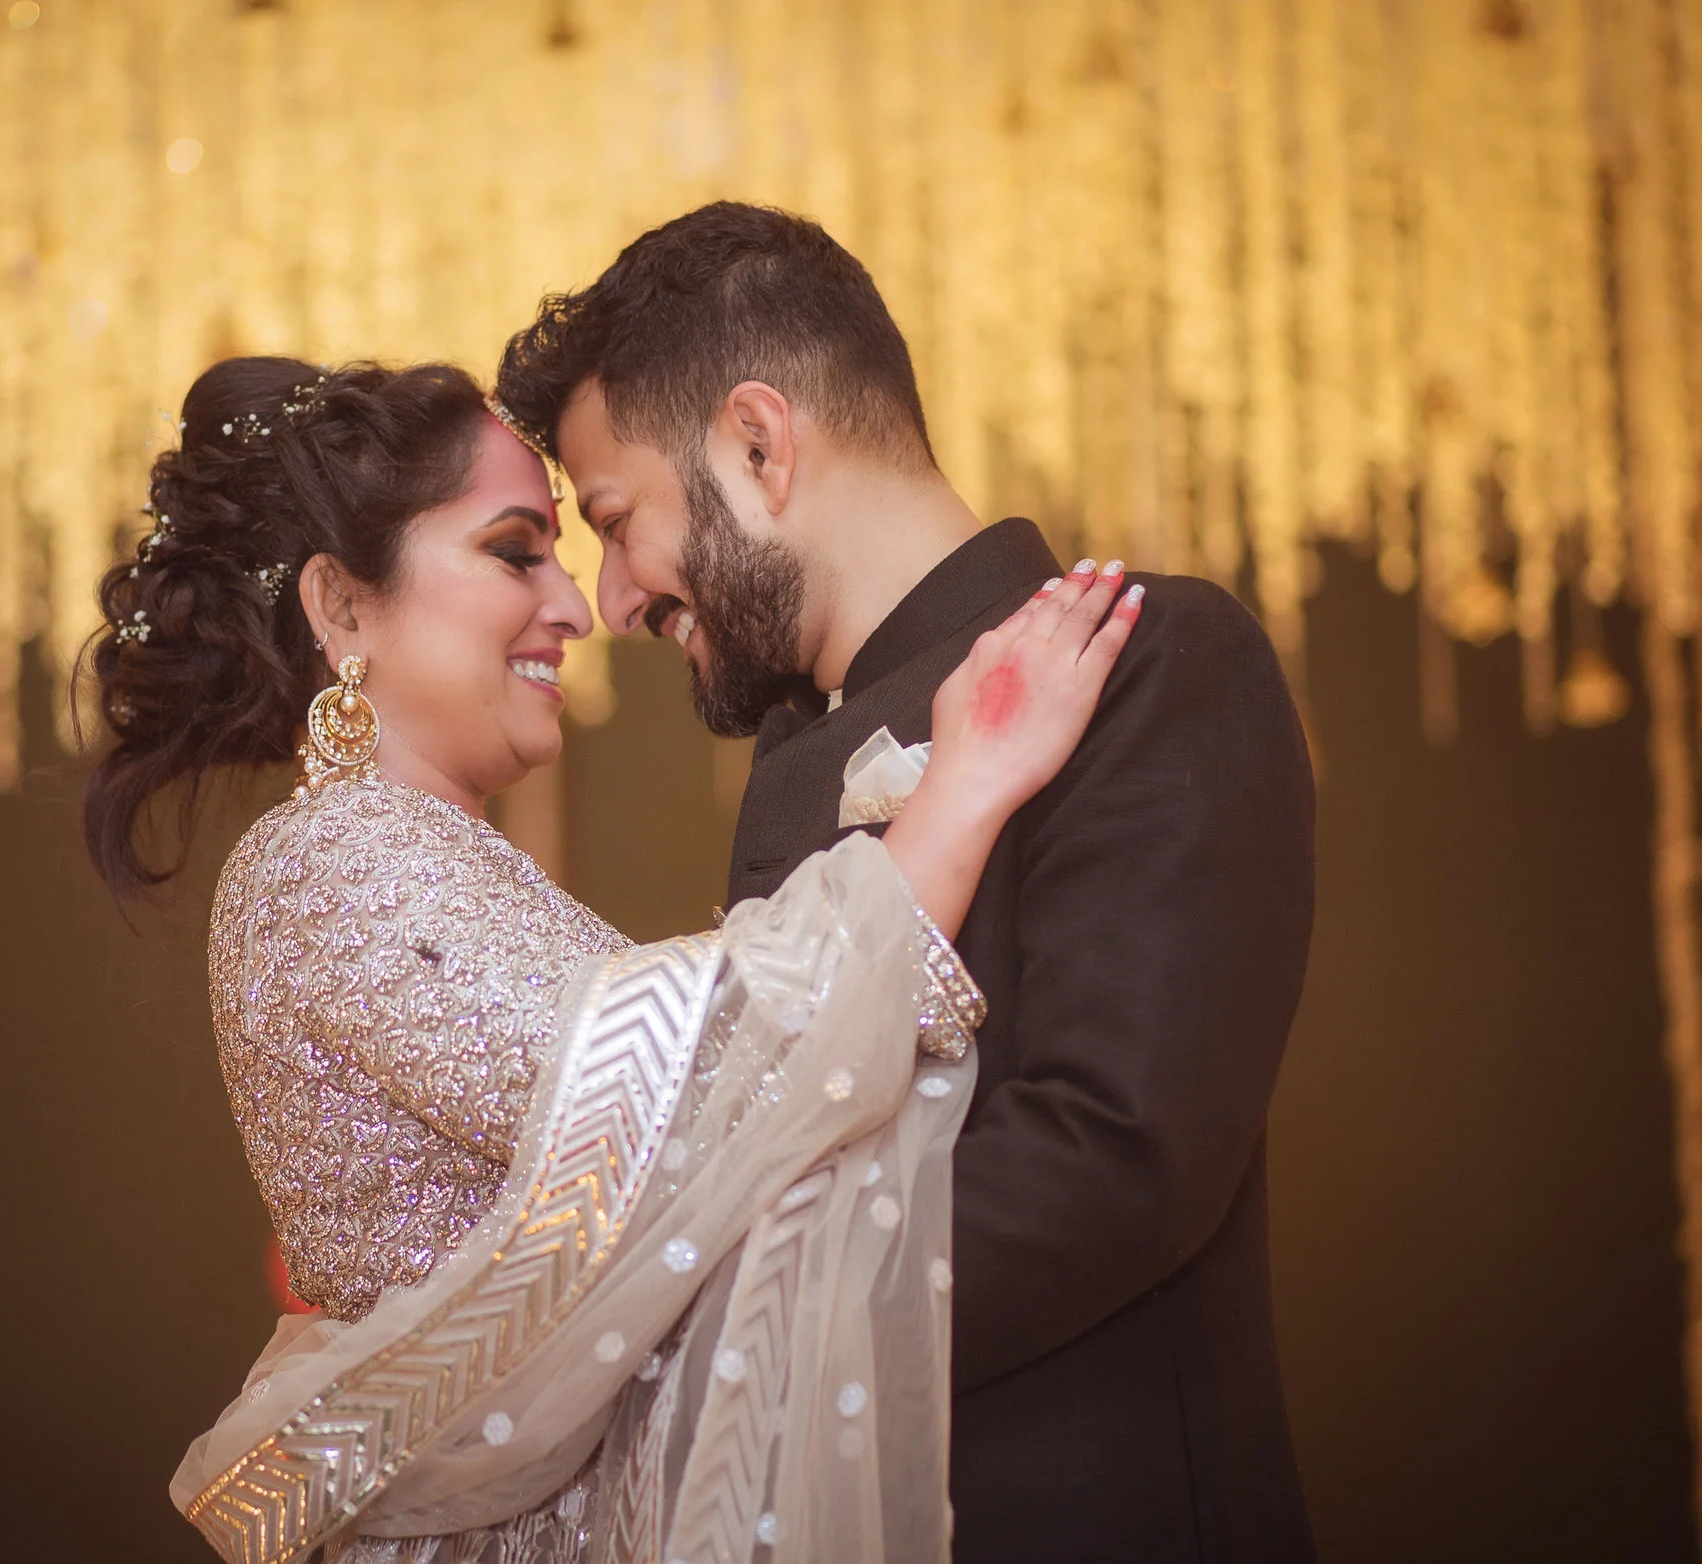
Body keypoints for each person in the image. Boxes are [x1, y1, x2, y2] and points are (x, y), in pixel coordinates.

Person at [82, 355, 1140, 1562]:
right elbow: (681, 1108)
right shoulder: (333, 860)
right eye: (514, 550)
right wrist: (962, 792)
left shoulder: (412, 855)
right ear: (341, 607)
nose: (577, 607)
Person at [493, 202, 1318, 1562]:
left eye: (615, 518)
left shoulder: (1155, 661)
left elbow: (1121, 1158)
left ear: (758, 445)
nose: (615, 598)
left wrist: (683, 1317)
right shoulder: (792, 762)